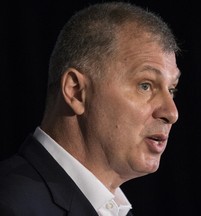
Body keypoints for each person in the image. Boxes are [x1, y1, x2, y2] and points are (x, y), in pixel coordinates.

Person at [0, 1, 181, 215]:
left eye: (171, 89)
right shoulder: (11, 204)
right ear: (76, 92)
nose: (172, 113)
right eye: (145, 86)